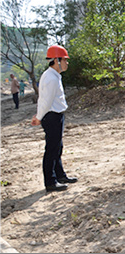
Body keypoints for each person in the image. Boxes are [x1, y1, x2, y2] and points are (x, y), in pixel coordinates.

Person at [31, 45, 78, 192]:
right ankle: (50, 182)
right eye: (65, 60)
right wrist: (39, 117)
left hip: (55, 115)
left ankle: (60, 175)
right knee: (52, 149)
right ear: (57, 60)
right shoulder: (51, 78)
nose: (67, 63)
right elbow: (45, 100)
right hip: (51, 117)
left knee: (57, 147)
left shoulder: (53, 75)